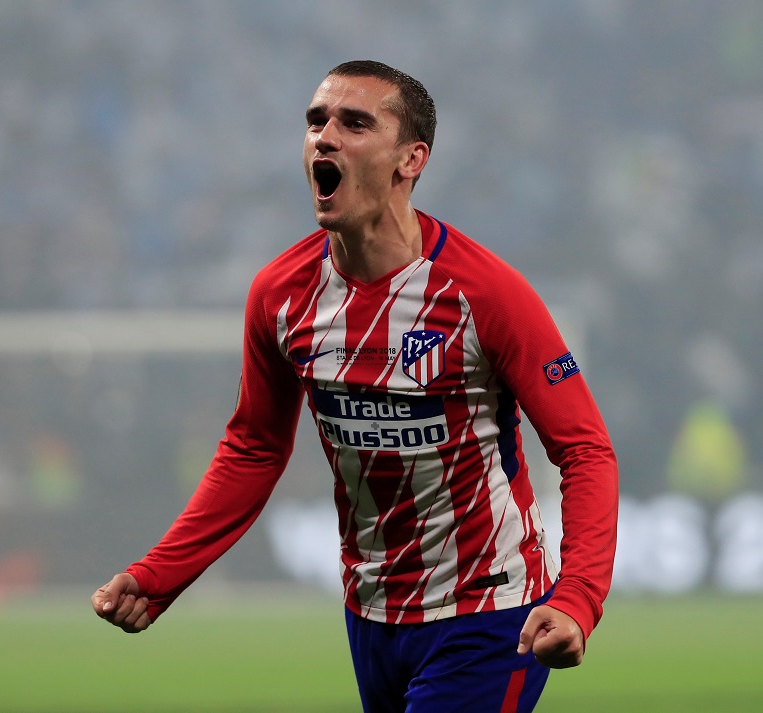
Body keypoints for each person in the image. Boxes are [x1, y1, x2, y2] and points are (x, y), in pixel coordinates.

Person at [92, 60, 618, 712]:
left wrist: (578, 596)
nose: (325, 136)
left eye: (355, 122)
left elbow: (585, 449)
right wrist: (161, 573)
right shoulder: (280, 296)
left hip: (490, 611)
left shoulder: (488, 294)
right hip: (369, 612)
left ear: (410, 160)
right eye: (316, 121)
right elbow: (254, 448)